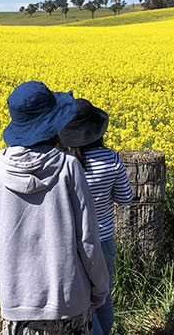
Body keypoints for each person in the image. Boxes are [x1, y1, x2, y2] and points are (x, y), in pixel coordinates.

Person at [0, 81, 110, 335]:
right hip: (69, 300)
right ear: (53, 122)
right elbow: (88, 238)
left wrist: (0, 288)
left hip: (16, 301)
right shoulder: (69, 166)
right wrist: (100, 288)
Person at [58, 98, 135, 335]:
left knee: (84, 304)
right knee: (103, 297)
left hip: (74, 243)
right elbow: (125, 197)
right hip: (103, 241)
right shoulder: (111, 158)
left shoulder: (65, 162)